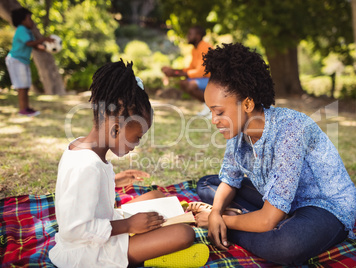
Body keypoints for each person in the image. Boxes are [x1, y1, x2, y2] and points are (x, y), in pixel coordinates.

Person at [190, 43, 356, 266]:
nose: (213, 120)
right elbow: (229, 180)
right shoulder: (239, 131)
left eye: (219, 111)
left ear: (248, 103)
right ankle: (249, 219)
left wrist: (221, 220)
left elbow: (268, 220)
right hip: (276, 200)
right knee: (206, 184)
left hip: (323, 206)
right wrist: (215, 212)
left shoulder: (290, 129)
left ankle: (234, 225)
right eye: (211, 111)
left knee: (285, 246)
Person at [49, 60, 209, 268]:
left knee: (157, 196)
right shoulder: (86, 166)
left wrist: (115, 179)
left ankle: (149, 242)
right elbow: (74, 230)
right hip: (90, 250)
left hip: (105, 225)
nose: (137, 144)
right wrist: (128, 225)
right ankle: (154, 256)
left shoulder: (80, 146)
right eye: (137, 137)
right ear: (116, 129)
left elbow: (81, 189)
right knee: (184, 233)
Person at [5, 7, 53, 116]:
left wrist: (47, 47)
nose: (32, 21)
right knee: (22, 86)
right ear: (22, 21)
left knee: (26, 85)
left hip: (23, 61)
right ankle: (23, 110)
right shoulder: (21, 29)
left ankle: (26, 107)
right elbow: (29, 43)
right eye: (29, 19)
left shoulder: (28, 31)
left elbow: (35, 46)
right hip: (16, 60)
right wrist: (45, 39)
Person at [161, 25, 212, 116]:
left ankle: (213, 108)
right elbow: (191, 69)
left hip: (213, 80)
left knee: (190, 85)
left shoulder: (205, 47)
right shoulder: (195, 49)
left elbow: (201, 72)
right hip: (204, 79)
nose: (188, 36)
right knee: (183, 83)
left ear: (198, 36)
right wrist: (173, 71)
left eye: (190, 34)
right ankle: (208, 106)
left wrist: (175, 74)